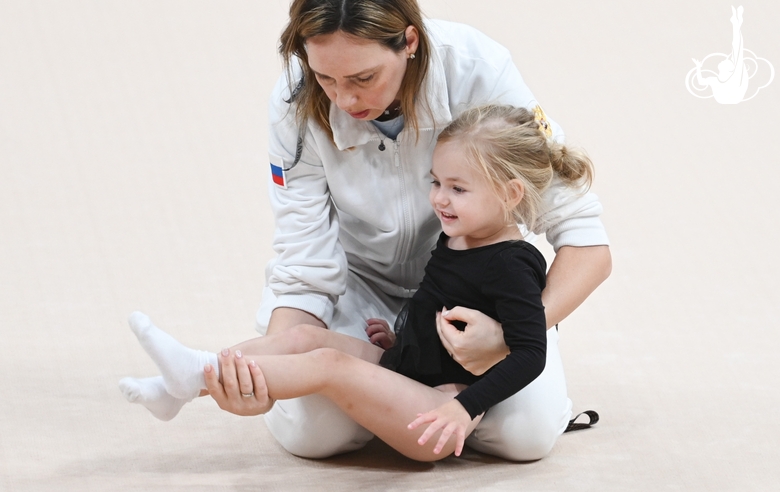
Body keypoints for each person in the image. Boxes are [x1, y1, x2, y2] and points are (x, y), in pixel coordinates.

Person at [120, 104, 595, 460]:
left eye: (457, 188)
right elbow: (441, 303)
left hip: (438, 409)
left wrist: (465, 407)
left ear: (510, 195)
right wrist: (406, 336)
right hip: (407, 367)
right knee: (305, 336)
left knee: (328, 362)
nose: (439, 199)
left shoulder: (514, 263)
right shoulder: (460, 235)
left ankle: (196, 374)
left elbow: (531, 353)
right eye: (435, 182)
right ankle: (184, 383)